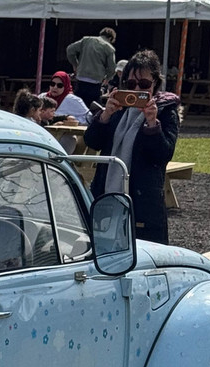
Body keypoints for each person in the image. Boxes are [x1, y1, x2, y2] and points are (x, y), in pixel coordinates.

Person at [84, 49, 180, 244]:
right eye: (130, 84)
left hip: (143, 202)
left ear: (155, 83)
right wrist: (104, 116)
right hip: (106, 197)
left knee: (143, 257)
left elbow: (163, 155)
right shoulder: (118, 108)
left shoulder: (166, 111)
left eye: (143, 84)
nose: (136, 90)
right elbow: (92, 142)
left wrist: (152, 124)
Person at [66, 26, 117, 107]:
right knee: (94, 107)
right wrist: (107, 78)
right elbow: (112, 68)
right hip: (95, 82)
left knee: (77, 106)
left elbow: (70, 50)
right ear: (110, 38)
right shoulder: (109, 48)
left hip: (81, 79)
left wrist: (75, 65)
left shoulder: (86, 40)